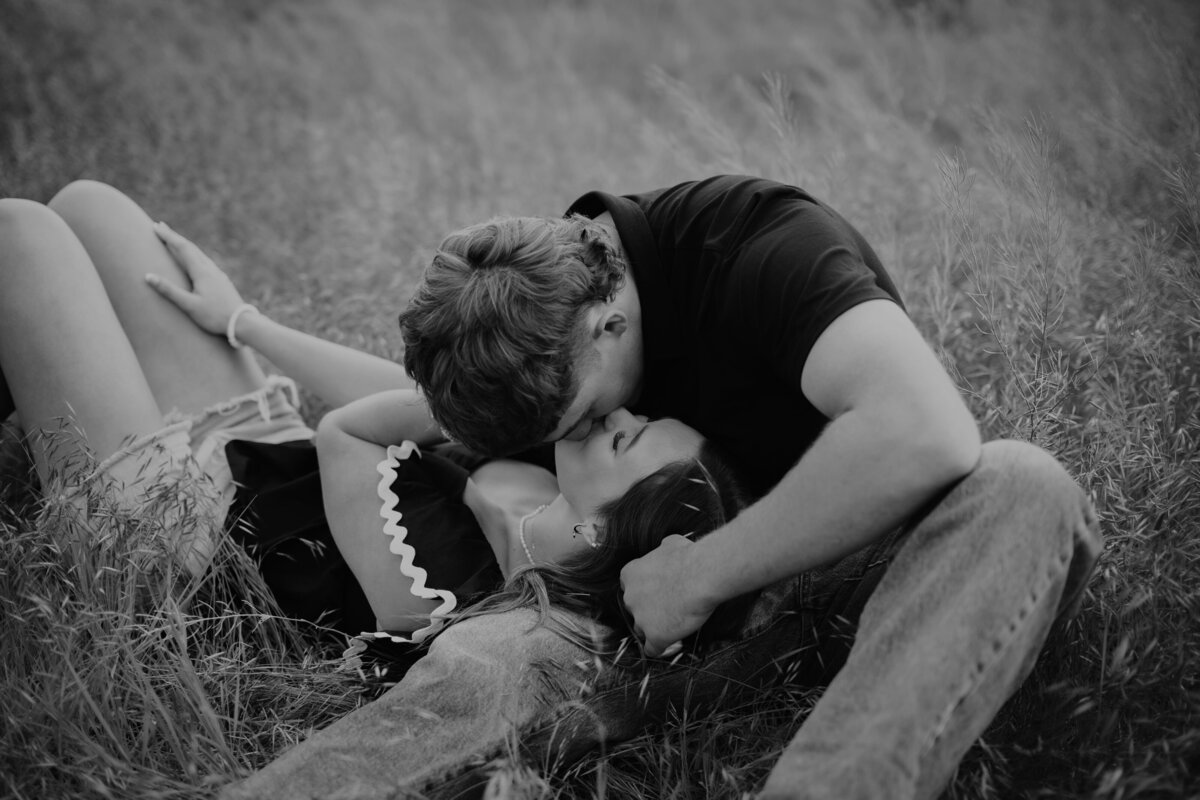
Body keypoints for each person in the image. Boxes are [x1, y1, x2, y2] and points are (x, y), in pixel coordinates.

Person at [379, 174, 1103, 799]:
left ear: (609, 322)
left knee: (1025, 481)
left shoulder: (765, 249)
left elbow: (925, 432)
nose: (588, 433)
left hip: (873, 591)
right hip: (637, 635)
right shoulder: (539, 326)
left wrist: (698, 577)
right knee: (490, 664)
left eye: (584, 421)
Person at [0, 180, 748, 665]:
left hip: (176, 531)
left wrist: (510, 390)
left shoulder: (449, 599)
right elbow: (404, 398)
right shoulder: (535, 479)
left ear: (599, 535)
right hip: (261, 449)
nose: (616, 413)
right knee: (91, 208)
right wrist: (243, 324)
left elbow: (351, 433)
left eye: (628, 439)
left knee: (21, 236)